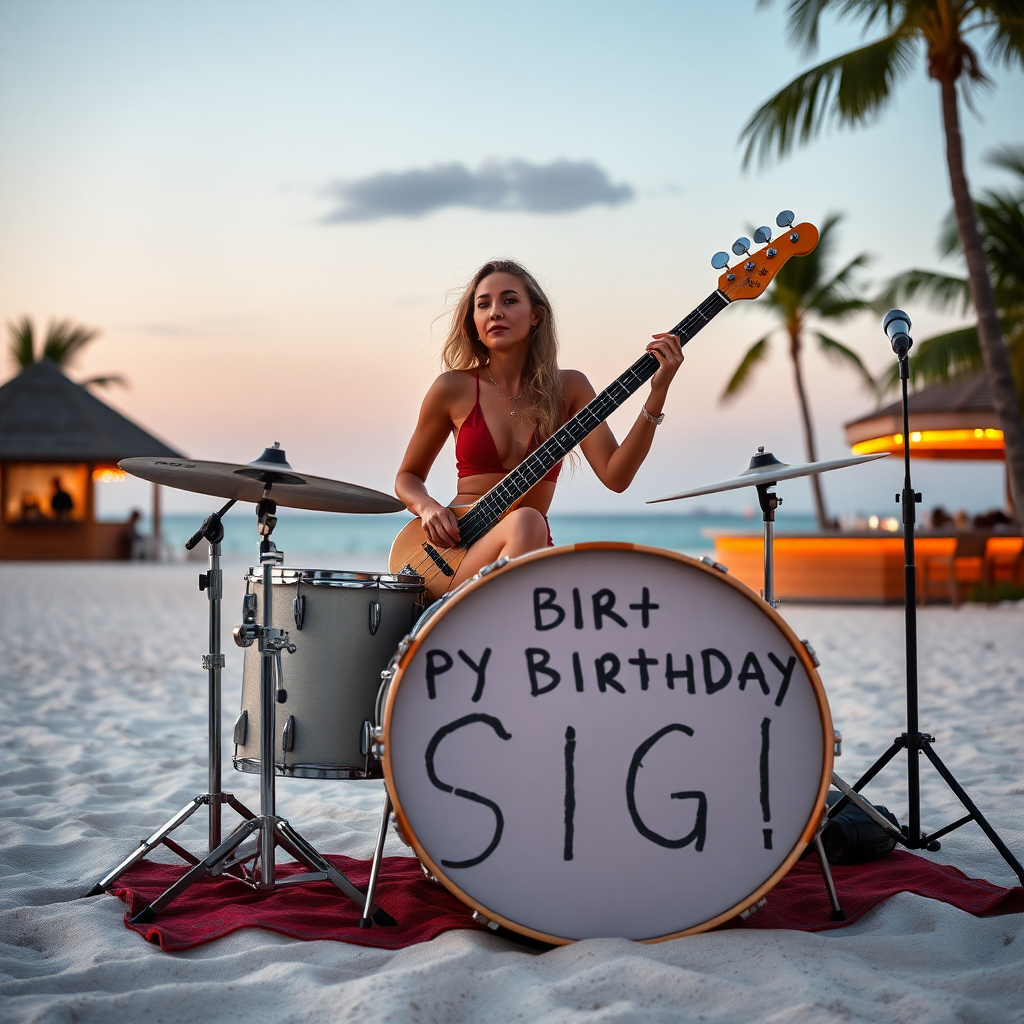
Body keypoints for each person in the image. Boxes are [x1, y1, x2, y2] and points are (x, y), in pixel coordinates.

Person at [395, 258, 684, 588]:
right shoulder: (451, 388)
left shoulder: (570, 388)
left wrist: (657, 393)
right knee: (528, 521)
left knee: (528, 523)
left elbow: (616, 476)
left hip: (525, 546)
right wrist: (429, 508)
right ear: (473, 320)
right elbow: (407, 477)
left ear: (536, 316)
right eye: (483, 304)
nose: (495, 312)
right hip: (456, 554)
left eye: (509, 300)